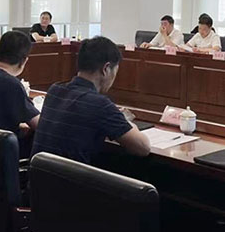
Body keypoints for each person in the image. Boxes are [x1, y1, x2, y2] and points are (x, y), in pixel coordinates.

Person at [32, 36, 150, 164]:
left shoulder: (55, 90)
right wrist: (128, 123)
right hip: (72, 176)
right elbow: (143, 147)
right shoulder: (99, 104)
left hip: (38, 174)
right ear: (106, 69)